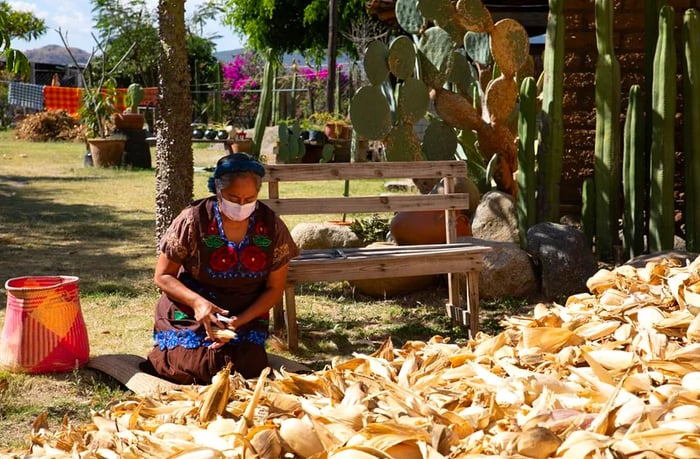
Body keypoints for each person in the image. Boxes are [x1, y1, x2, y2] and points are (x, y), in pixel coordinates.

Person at [146, 153, 299, 384]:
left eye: (249, 199)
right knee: (199, 366)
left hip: (245, 311)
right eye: (233, 197)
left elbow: (274, 289)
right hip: (191, 310)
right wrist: (198, 303)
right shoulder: (193, 220)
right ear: (218, 190)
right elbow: (163, 276)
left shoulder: (271, 226)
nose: (241, 205)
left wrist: (238, 321)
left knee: (245, 366)